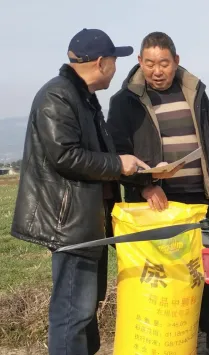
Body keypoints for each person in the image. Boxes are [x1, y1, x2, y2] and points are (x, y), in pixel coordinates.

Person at [10, 28, 173, 355]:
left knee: (84, 310)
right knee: (72, 312)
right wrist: (119, 164)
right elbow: (64, 155)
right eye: (115, 60)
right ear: (101, 62)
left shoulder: (82, 97)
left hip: (89, 223)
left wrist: (142, 175)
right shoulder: (57, 96)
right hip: (72, 226)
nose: (117, 67)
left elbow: (98, 154)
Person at [106, 31, 209, 354]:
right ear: (139, 62)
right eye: (149, 63)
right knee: (165, 274)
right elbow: (118, 153)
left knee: (198, 270)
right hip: (155, 205)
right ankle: (161, 336)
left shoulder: (195, 93)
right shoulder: (124, 102)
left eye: (163, 63)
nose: (157, 71)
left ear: (176, 61)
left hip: (195, 200)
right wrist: (146, 185)